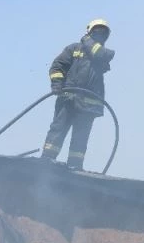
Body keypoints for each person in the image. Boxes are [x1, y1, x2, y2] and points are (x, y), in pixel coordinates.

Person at [41, 18, 115, 170]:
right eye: (97, 30)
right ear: (90, 31)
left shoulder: (103, 54)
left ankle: (75, 165)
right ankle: (47, 159)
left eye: (103, 32)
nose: (100, 34)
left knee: (81, 137)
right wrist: (57, 84)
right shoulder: (73, 49)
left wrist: (87, 40)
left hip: (89, 103)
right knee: (58, 128)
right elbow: (57, 66)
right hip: (69, 98)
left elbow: (101, 54)